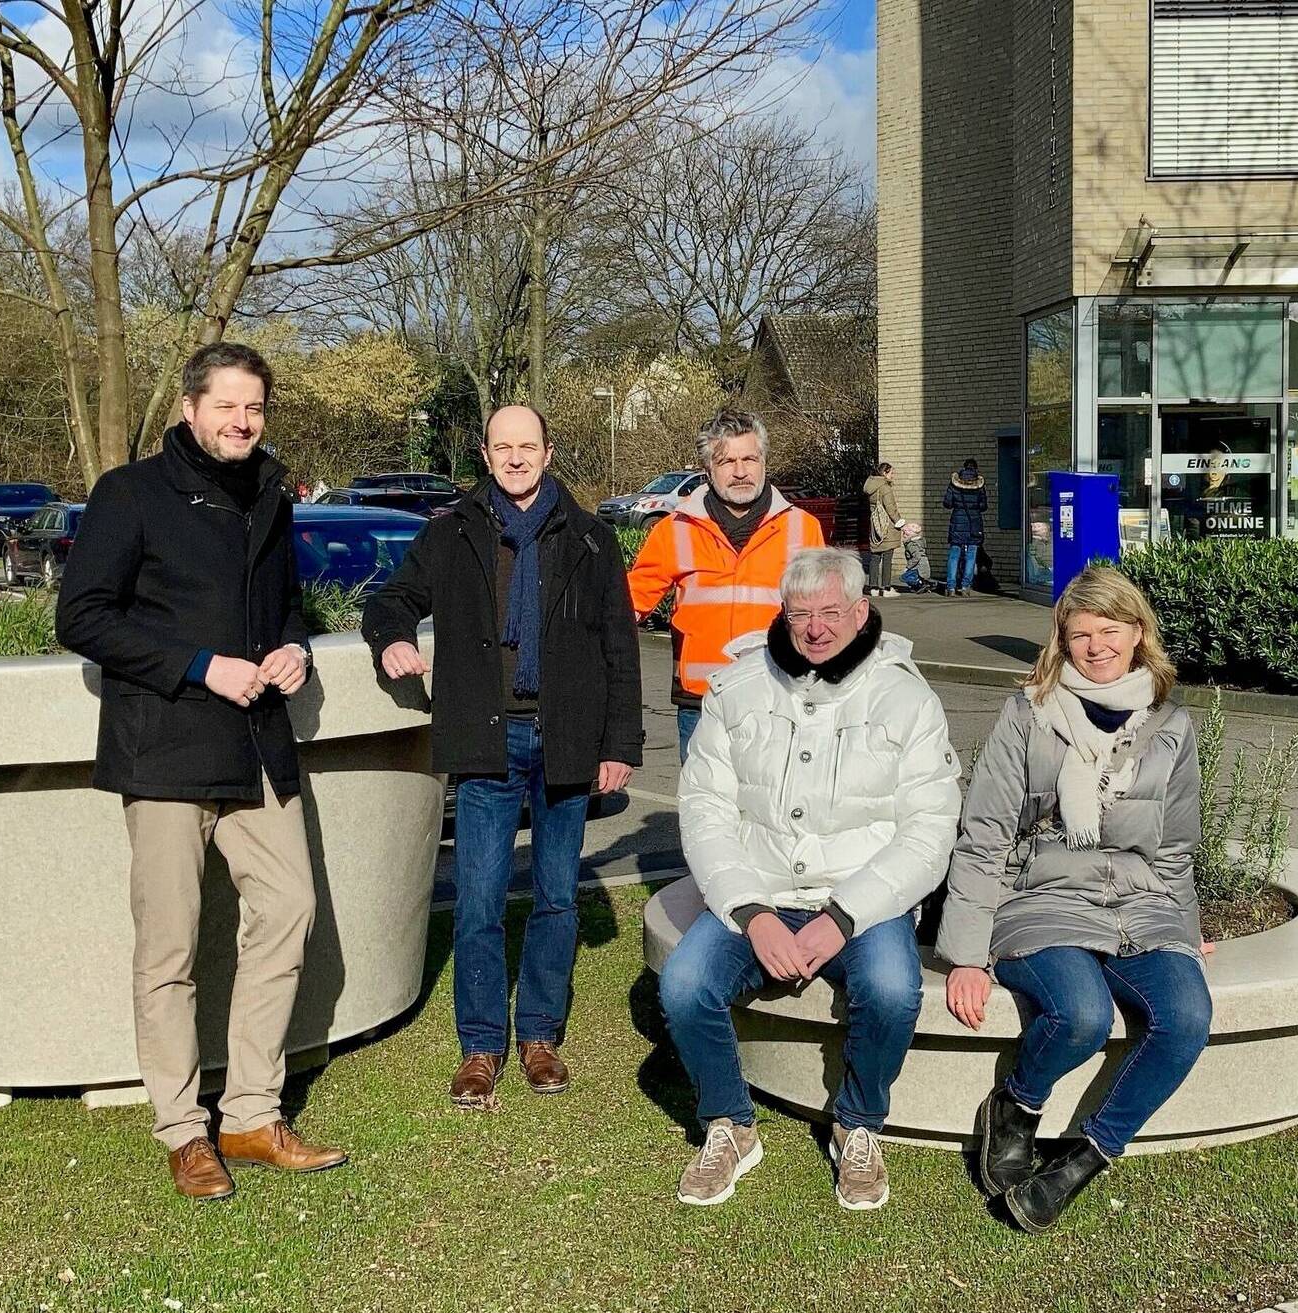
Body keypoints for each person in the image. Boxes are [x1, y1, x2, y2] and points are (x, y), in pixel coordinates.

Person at [57, 342, 345, 1202]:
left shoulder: (271, 491)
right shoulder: (129, 493)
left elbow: (284, 602)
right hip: (167, 746)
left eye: (254, 406)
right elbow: (82, 616)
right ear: (189, 407)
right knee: (170, 949)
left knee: (289, 905)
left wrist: (292, 646)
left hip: (256, 743)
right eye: (227, 405)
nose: (242, 420)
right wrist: (197, 664)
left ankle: (252, 1114)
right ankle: (185, 1131)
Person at [661, 547, 961, 1211]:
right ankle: (731, 1123)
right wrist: (749, 910)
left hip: (863, 900)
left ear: (861, 611)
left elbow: (930, 830)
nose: (816, 628)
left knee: (891, 987)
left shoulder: (906, 696)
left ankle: (858, 1123)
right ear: (783, 615)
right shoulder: (737, 687)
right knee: (685, 984)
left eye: (831, 612)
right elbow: (706, 810)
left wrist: (845, 915)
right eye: (801, 615)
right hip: (762, 890)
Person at [362, 405, 643, 1110]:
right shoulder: (452, 532)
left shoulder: (589, 538)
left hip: (568, 738)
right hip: (488, 739)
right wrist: (392, 637)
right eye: (502, 447)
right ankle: (481, 1044)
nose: (515, 458)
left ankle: (540, 1035)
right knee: (480, 900)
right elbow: (389, 600)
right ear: (485, 455)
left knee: (555, 899)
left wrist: (620, 744)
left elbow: (619, 647)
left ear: (548, 452)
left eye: (527, 446)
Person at [935, 566, 1211, 1233]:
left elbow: (1174, 848)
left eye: (1109, 629)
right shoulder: (1028, 712)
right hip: (1042, 895)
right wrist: (967, 952)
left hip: (1140, 903)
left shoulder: (1169, 724)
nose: (1095, 645)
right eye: (1079, 632)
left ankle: (1084, 1158)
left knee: (1187, 1014)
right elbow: (985, 836)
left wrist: (1188, 925)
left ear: (1137, 631)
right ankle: (1016, 1106)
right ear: (1062, 638)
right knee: (1081, 1014)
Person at [627, 409, 825, 761]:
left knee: (774, 813)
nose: (740, 471)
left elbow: (826, 618)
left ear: (764, 461)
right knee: (704, 813)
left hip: (779, 700)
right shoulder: (676, 529)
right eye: (726, 461)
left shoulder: (803, 529)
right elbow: (627, 604)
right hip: (702, 704)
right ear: (707, 469)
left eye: (749, 458)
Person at [942, 458, 987, 596]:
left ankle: (950, 587)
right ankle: (965, 587)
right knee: (971, 556)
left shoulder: (954, 483)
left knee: (954, 554)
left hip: (957, 522)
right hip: (974, 523)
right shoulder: (979, 484)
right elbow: (984, 506)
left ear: (964, 467)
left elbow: (947, 503)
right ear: (975, 468)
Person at [862, 461, 905, 597]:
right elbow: (890, 508)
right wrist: (899, 522)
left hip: (875, 524)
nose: (893, 475)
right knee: (887, 556)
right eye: (891, 473)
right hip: (887, 526)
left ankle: (873, 587)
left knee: (875, 557)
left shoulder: (871, 486)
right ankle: (886, 588)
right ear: (885, 473)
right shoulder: (885, 488)